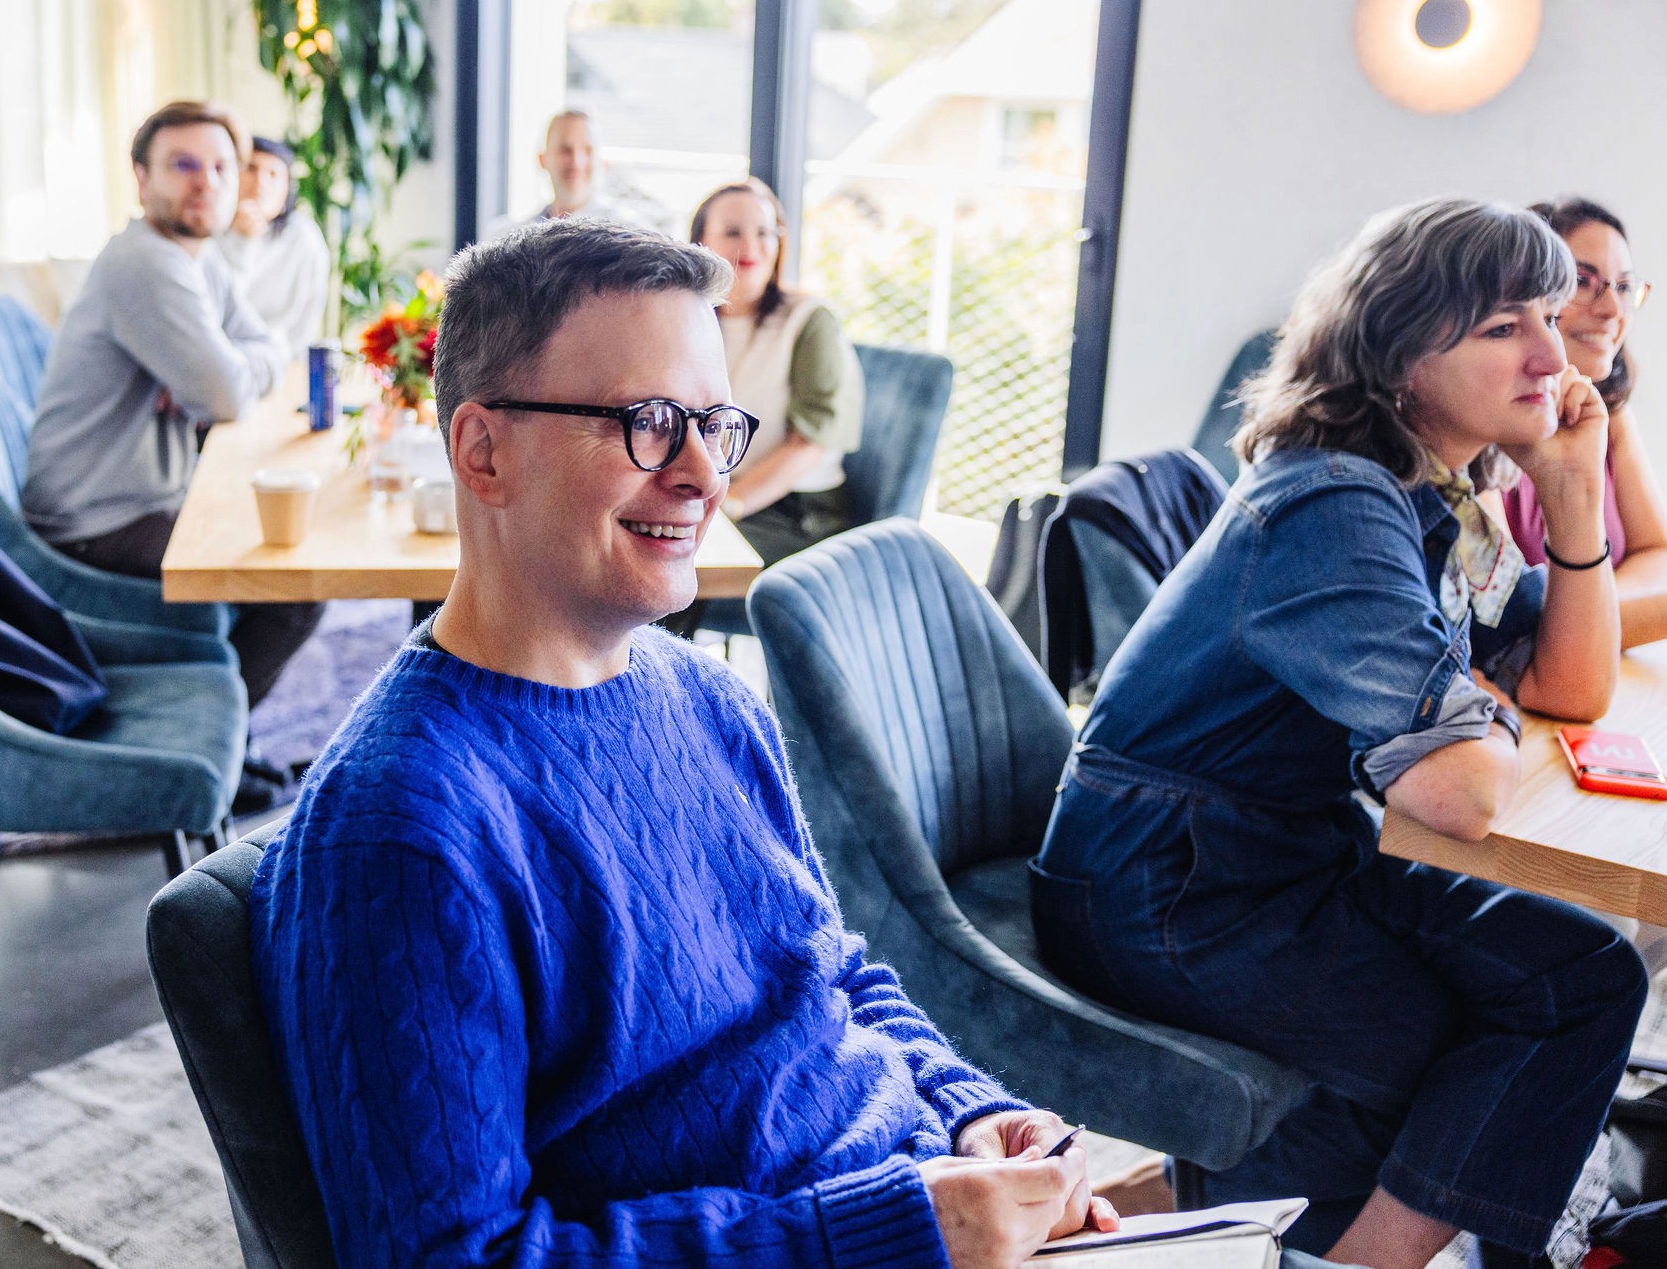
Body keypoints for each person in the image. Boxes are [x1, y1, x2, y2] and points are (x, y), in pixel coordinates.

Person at [250, 217, 1124, 1269]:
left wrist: (969, 1116)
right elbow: (449, 1261)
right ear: (482, 451)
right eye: (651, 422)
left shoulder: (706, 696)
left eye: (714, 422)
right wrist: (889, 1231)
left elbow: (829, 974)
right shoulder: (402, 832)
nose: (705, 474)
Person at [1028, 197, 1646, 1267]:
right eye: (1505, 326)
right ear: (1400, 352)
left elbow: (1568, 686)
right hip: (1171, 883)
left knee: (1585, 968)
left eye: (1546, 315)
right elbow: (1458, 792)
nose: (1555, 351)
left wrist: (1570, 495)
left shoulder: (1438, 491)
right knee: (1445, 1035)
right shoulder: (1334, 503)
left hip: (1275, 854)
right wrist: (1472, 716)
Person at [21, 101, 324, 804]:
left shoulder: (197, 260)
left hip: (148, 495)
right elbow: (225, 394)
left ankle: (219, 737)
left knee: (288, 555)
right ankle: (211, 746)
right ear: (140, 178)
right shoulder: (145, 264)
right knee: (296, 583)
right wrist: (219, 372)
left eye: (221, 166)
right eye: (183, 165)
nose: (206, 182)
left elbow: (265, 345)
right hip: (97, 519)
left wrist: (223, 368)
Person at [1504, 197, 1667, 646]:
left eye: (1623, 287)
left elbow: (1657, 553)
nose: (1613, 310)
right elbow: (1502, 623)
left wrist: (1590, 613)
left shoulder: (1611, 411)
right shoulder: (1485, 424)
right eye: (1582, 280)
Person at [690, 178, 864, 565]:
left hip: (798, 512)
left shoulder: (810, 321)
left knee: (680, 554)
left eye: (765, 233)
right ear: (700, 242)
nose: (751, 247)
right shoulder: (692, 320)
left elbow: (810, 444)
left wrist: (727, 506)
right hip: (713, 497)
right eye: (733, 232)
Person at [217, 135, 333, 360]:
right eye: (251, 169)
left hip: (275, 362)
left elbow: (305, 321)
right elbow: (216, 311)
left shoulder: (303, 238)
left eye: (273, 174)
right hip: (215, 360)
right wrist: (240, 242)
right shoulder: (206, 228)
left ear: (287, 189)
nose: (260, 182)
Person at [485, 110, 646, 238]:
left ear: (603, 163)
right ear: (542, 160)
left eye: (588, 150)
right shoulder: (505, 239)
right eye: (565, 150)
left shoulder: (632, 233)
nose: (577, 162)